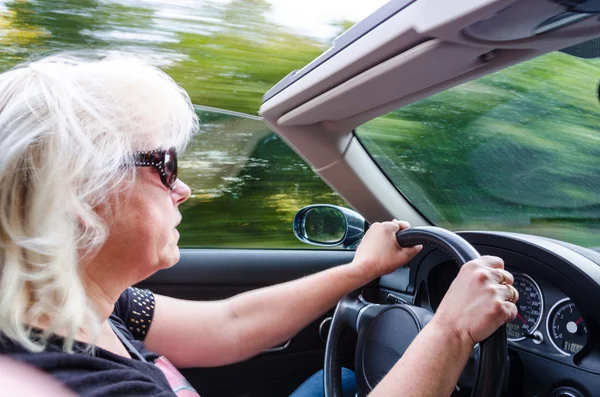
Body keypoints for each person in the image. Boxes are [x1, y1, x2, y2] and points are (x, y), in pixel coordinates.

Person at [0, 53, 519, 397]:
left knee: (336, 377)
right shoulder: (88, 386)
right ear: (80, 196)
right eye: (165, 166)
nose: (183, 189)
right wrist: (452, 332)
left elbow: (228, 326)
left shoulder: (72, 303)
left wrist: (361, 269)